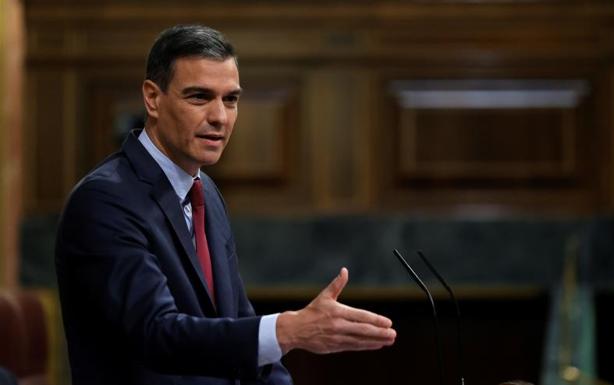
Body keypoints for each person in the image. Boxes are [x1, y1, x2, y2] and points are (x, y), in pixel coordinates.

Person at [55, 24, 396, 385]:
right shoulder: (105, 200)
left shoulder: (207, 194)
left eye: (230, 99)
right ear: (152, 98)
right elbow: (156, 334)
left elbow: (235, 325)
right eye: (200, 97)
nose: (220, 117)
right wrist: (287, 330)